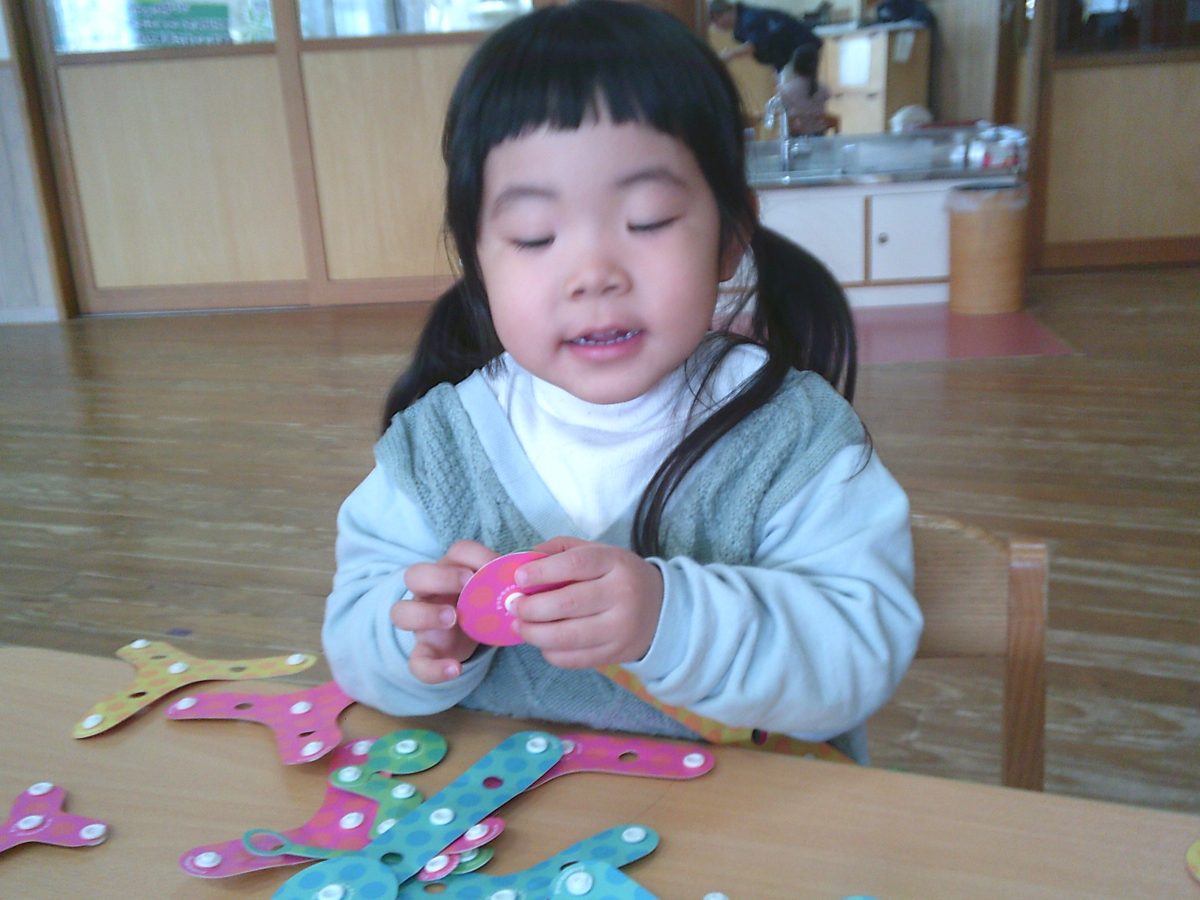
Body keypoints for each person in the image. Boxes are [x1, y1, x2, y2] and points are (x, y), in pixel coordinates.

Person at [322, 0, 921, 764]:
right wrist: (424, 637)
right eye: (535, 236)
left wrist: (668, 619)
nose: (593, 274)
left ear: (731, 236)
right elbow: (355, 642)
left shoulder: (793, 440)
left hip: (756, 817)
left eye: (648, 220)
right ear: (477, 257)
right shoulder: (439, 449)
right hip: (515, 821)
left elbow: (859, 657)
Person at [709, 0, 822, 74]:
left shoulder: (749, 18)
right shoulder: (743, 22)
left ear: (726, 12)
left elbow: (755, 44)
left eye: (716, 19)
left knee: (796, 90)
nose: (717, 26)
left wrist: (730, 54)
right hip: (788, 55)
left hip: (800, 48)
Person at [778, 43, 832, 135]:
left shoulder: (786, 90)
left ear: (794, 65)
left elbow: (787, 120)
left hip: (796, 136)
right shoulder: (823, 88)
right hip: (819, 135)